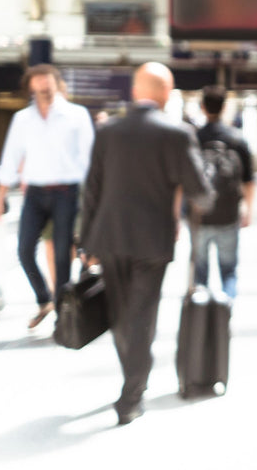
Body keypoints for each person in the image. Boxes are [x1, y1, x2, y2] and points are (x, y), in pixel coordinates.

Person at [81, 63, 212, 425]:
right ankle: (131, 394)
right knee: (141, 315)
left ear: (135, 92)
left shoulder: (108, 131)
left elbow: (92, 188)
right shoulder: (177, 133)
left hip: (109, 237)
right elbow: (201, 192)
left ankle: (132, 381)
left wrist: (85, 240)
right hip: (152, 240)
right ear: (166, 94)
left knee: (122, 315)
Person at [0, 64, 94, 329]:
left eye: (48, 88)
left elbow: (89, 160)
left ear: (57, 85)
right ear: (31, 89)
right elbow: (10, 159)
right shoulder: (23, 119)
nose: (44, 93)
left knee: (62, 256)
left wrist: (91, 200)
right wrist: (0, 199)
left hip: (66, 192)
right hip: (35, 193)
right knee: (24, 251)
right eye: (39, 89)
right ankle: (44, 299)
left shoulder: (76, 115)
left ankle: (62, 314)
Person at [190, 85, 254, 299]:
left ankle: (201, 320)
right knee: (228, 271)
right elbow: (249, 180)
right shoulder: (237, 139)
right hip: (229, 213)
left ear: (202, 107)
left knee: (200, 273)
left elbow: (183, 180)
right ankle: (225, 313)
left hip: (199, 216)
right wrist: (248, 209)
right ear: (225, 107)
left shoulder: (193, 139)